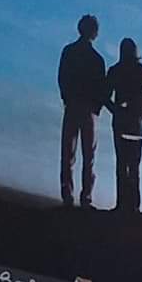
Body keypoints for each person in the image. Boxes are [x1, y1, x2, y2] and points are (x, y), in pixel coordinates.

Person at [55, 12, 108, 208]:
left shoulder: (70, 51)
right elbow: (101, 88)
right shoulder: (97, 59)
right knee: (88, 156)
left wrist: (67, 97)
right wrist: (96, 108)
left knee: (68, 153)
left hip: (74, 106)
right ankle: (85, 197)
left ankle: (68, 195)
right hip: (87, 110)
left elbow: (62, 77)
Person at [104, 37, 142, 213]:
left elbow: (104, 95)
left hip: (120, 119)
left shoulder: (115, 70)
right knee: (134, 163)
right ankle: (133, 204)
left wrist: (115, 109)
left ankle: (122, 203)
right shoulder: (139, 69)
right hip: (135, 119)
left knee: (121, 161)